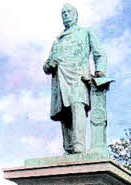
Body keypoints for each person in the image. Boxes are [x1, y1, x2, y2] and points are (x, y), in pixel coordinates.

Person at [43, 3, 107, 154]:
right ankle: (69, 147)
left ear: (75, 15)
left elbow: (100, 54)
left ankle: (79, 145)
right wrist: (50, 65)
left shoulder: (85, 32)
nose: (65, 14)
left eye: (68, 12)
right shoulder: (57, 40)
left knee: (77, 107)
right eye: (63, 12)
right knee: (64, 113)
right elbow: (46, 66)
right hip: (60, 79)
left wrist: (100, 71)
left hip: (78, 77)